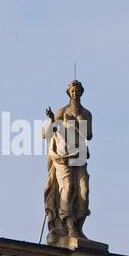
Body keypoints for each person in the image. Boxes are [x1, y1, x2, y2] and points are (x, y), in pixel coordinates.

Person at [42, 80, 93, 242]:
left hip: (80, 155)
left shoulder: (86, 113)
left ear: (81, 92)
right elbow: (47, 133)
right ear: (68, 93)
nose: (74, 93)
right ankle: (69, 225)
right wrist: (52, 119)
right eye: (72, 91)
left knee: (84, 190)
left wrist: (75, 124)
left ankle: (79, 227)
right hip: (63, 157)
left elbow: (89, 135)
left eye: (77, 91)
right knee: (68, 187)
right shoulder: (61, 111)